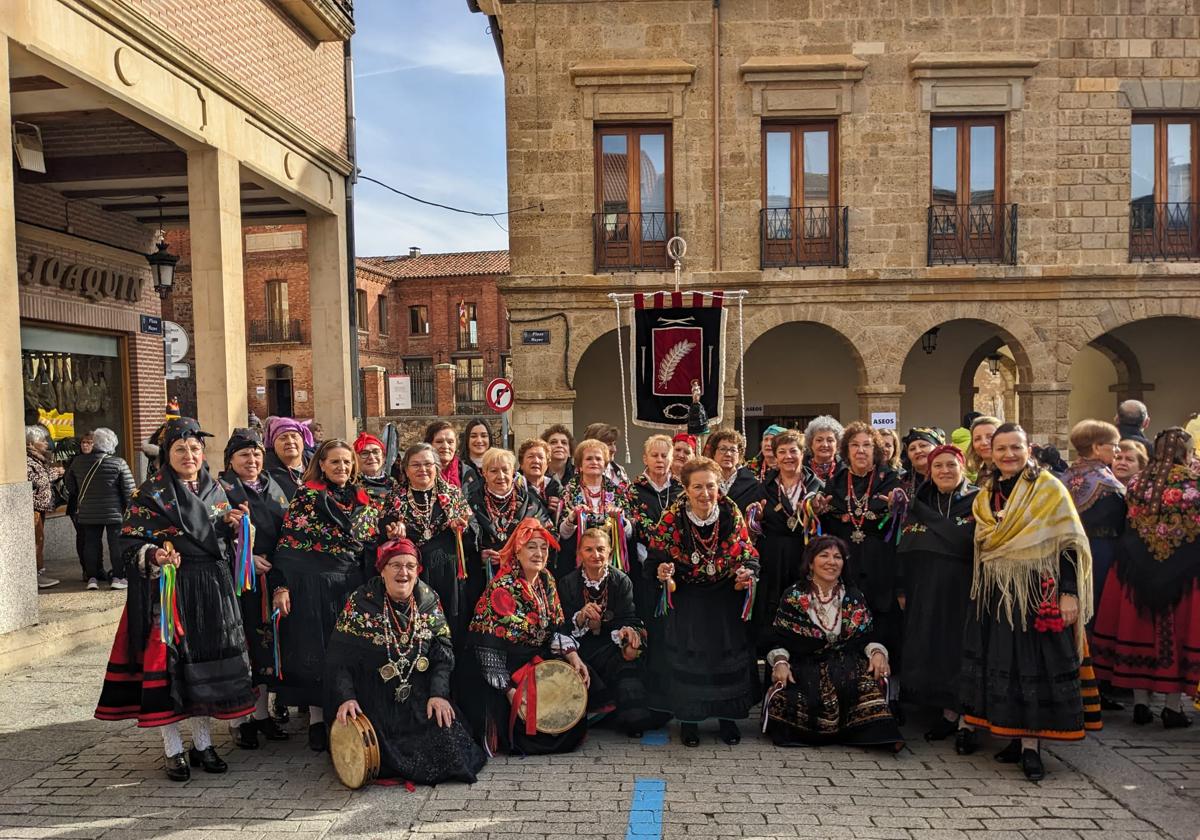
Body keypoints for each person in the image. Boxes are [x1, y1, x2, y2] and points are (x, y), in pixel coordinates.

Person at [95, 417, 255, 782]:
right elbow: (128, 544)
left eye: (195, 449)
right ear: (167, 454)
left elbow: (221, 544)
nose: (189, 455)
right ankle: (173, 750)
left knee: (203, 666)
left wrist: (234, 528)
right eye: (180, 449)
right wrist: (155, 556)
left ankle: (202, 743)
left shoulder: (217, 490)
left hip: (211, 589)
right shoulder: (149, 494)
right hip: (169, 591)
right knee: (169, 668)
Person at [958, 423, 1100, 782]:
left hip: (1036, 590)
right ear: (989, 452)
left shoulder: (1048, 489)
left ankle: (1031, 747)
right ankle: (1009, 734)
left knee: (1031, 665)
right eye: (1001, 448)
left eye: (1015, 448)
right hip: (995, 592)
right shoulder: (985, 493)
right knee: (1001, 664)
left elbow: (1068, 543)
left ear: (1028, 449)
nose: (1008, 455)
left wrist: (1069, 593)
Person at [326, 539, 486, 785]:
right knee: (375, 752)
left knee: (451, 744)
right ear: (382, 569)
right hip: (374, 697)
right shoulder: (360, 603)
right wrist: (346, 697)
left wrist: (439, 694)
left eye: (411, 566)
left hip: (418, 695)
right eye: (396, 565)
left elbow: (442, 656)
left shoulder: (428, 599)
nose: (404, 572)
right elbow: (339, 658)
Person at [271, 439, 379, 752]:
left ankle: (346, 714)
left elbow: (370, 542)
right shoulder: (308, 495)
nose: (342, 468)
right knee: (318, 650)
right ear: (322, 464)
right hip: (314, 583)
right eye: (335, 462)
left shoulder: (362, 498)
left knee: (348, 650)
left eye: (347, 462)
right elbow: (290, 541)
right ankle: (318, 721)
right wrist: (282, 585)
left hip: (352, 583)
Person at [1092, 427, 1200, 728]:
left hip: (1135, 570)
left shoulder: (1138, 482)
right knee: (1175, 635)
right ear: (1186, 452)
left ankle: (1140, 704)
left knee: (1138, 631)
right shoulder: (1195, 484)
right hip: (1183, 573)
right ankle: (1172, 707)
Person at [648, 457, 759, 747]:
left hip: (724, 598)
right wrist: (662, 570)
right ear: (685, 488)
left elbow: (747, 552)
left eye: (710, 486)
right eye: (697, 487)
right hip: (687, 598)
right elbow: (656, 557)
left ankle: (728, 720)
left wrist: (747, 571)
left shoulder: (730, 512)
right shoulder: (672, 517)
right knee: (689, 659)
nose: (705, 493)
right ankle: (689, 722)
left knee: (725, 656)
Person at [763, 535, 904, 751]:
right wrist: (781, 662)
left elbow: (866, 637)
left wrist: (878, 653)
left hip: (846, 666)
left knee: (869, 696)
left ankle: (875, 736)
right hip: (806, 666)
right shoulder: (794, 596)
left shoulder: (853, 596)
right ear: (811, 562)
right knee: (787, 702)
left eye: (838, 557)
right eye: (824, 555)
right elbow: (777, 639)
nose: (832, 562)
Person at [466, 518, 590, 755]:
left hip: (535, 660)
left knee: (575, 703)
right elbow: (486, 648)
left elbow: (556, 627)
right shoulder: (502, 588)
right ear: (517, 550)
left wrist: (573, 656)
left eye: (543, 547)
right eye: (531, 546)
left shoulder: (546, 581)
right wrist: (510, 691)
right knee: (527, 731)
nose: (539, 553)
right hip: (503, 668)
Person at [815, 421, 905, 710]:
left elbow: (901, 523)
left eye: (867, 445)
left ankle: (888, 698)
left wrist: (896, 508)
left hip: (881, 565)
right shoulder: (838, 480)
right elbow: (828, 522)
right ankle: (851, 695)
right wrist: (818, 511)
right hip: (847, 566)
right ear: (846, 450)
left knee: (883, 626)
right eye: (855, 445)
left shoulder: (890, 481)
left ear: (876, 450)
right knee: (849, 629)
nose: (861, 450)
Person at [897, 444, 978, 742]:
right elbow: (904, 548)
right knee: (935, 649)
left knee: (961, 649)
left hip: (965, 587)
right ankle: (945, 712)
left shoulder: (978, 500)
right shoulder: (920, 502)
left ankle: (967, 719)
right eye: (938, 466)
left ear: (963, 468)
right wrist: (902, 587)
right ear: (929, 472)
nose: (945, 471)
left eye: (951, 465)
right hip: (925, 587)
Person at [218, 428, 292, 749]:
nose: (252, 460)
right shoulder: (220, 490)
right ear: (231, 460)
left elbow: (291, 528)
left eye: (256, 454)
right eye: (244, 455)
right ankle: (239, 720)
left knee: (265, 646)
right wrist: (245, 557)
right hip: (238, 582)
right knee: (240, 646)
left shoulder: (273, 486)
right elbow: (212, 534)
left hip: (271, 578)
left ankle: (261, 715)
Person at [558, 528, 650, 737]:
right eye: (589, 550)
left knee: (629, 664)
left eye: (600, 549)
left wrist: (626, 632)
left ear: (609, 552)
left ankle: (623, 716)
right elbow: (561, 625)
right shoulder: (568, 583)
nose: (595, 555)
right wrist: (581, 617)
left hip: (609, 647)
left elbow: (629, 617)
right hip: (581, 649)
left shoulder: (621, 580)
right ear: (580, 553)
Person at [379, 444, 472, 640]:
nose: (422, 469)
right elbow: (383, 530)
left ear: (436, 467)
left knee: (450, 624)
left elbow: (473, 533)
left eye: (428, 464)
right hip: (413, 573)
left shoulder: (453, 495)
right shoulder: (395, 498)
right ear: (406, 469)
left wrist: (461, 527)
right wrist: (393, 532)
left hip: (448, 572)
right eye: (416, 465)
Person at [747, 430, 824, 651]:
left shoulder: (817, 487)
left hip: (804, 558)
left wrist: (820, 512)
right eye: (782, 452)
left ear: (803, 453)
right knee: (773, 617)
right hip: (772, 560)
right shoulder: (763, 488)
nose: (788, 456)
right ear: (775, 456)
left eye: (793, 451)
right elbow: (751, 529)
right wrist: (756, 519)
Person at [466, 447, 552, 614]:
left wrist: (523, 552)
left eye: (505, 470)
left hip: (523, 579)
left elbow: (549, 535)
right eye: (493, 471)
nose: (501, 476)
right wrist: (479, 555)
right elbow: (463, 541)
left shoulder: (531, 503)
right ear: (484, 473)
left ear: (513, 472)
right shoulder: (470, 502)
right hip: (483, 580)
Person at [65, 426, 135, 591]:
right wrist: (130, 510)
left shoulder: (78, 462)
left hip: (88, 511)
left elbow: (70, 485)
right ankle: (118, 577)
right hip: (115, 513)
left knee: (90, 544)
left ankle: (92, 578)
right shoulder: (119, 463)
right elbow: (130, 491)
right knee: (116, 544)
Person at [625, 435, 682, 621]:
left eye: (664, 455)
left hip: (677, 565)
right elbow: (631, 529)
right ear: (645, 459)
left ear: (671, 458)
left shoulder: (681, 490)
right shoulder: (632, 490)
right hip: (643, 565)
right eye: (654, 455)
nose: (659, 460)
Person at [557, 438, 633, 578]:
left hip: (611, 564)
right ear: (580, 465)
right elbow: (563, 534)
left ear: (605, 465)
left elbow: (629, 534)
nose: (594, 462)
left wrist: (620, 520)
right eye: (589, 459)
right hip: (576, 565)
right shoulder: (568, 491)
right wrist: (573, 518)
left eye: (598, 459)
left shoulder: (618, 492)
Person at [26, 424, 61, 589]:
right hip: (34, 507)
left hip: (41, 507)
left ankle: (39, 572)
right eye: (42, 440)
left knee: (39, 539)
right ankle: (35, 575)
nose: (46, 443)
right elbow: (36, 480)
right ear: (31, 443)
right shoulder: (27, 459)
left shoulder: (39, 457)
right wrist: (56, 473)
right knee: (36, 541)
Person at [708, 429, 763, 513]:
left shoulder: (752, 484)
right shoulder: (705, 480)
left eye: (733, 450)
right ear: (713, 453)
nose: (728, 454)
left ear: (739, 455)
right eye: (723, 449)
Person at [424, 420, 480, 496]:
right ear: (429, 444)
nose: (445, 446)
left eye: (450, 442)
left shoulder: (467, 473)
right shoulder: (422, 472)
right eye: (439, 441)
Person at [263, 417, 311, 499]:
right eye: (283, 438)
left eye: (294, 436)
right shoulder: (265, 472)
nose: (290, 441)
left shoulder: (316, 466)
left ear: (303, 441)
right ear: (273, 443)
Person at [518, 438, 563, 523]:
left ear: (547, 464)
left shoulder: (557, 488)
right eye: (530, 456)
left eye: (541, 457)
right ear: (521, 464)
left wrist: (558, 510)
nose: (536, 461)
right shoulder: (515, 487)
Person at [901, 427, 946, 495]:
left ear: (937, 448)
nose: (918, 451)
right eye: (912, 449)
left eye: (923, 446)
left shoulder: (949, 475)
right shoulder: (901, 481)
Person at [354, 432, 393, 503]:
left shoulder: (395, 484)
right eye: (364, 453)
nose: (371, 457)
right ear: (356, 459)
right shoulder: (351, 485)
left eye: (376, 452)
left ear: (383, 457)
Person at [804, 415, 843, 483]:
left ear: (838, 444)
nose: (825, 445)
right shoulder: (801, 470)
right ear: (811, 443)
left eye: (830, 440)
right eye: (819, 440)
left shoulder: (845, 470)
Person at [966, 415, 1001, 485]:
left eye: (990, 437)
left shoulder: (1007, 473)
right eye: (977, 439)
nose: (984, 443)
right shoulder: (982, 473)